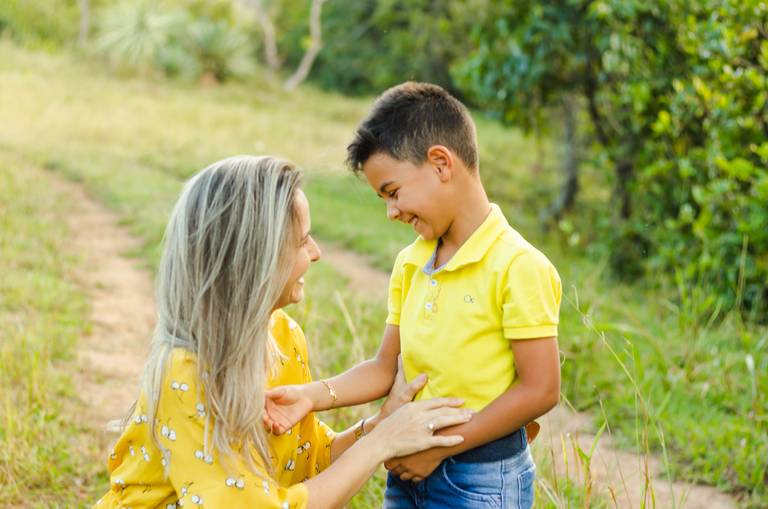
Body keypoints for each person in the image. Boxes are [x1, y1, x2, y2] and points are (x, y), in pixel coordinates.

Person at [92, 155, 473, 509]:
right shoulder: (186, 372)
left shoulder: (282, 336)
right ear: (255, 259)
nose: (317, 252)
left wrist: (380, 424)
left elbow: (312, 464)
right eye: (302, 240)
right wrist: (380, 442)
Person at [265, 83, 562, 509]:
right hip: (406, 470)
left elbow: (541, 390)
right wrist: (311, 396)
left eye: (393, 192)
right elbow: (385, 368)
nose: (392, 212)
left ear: (441, 163)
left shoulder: (518, 266)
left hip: (480, 480)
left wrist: (443, 447)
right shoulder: (411, 262)